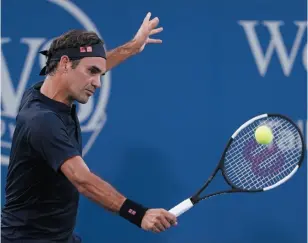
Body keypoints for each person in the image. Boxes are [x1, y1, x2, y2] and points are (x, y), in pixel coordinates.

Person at [1, 12, 177, 243]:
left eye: (100, 73)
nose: (98, 82)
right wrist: (139, 214)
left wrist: (132, 47)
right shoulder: (43, 121)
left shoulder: (41, 91)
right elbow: (82, 179)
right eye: (92, 72)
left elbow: (89, 65)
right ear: (64, 63)